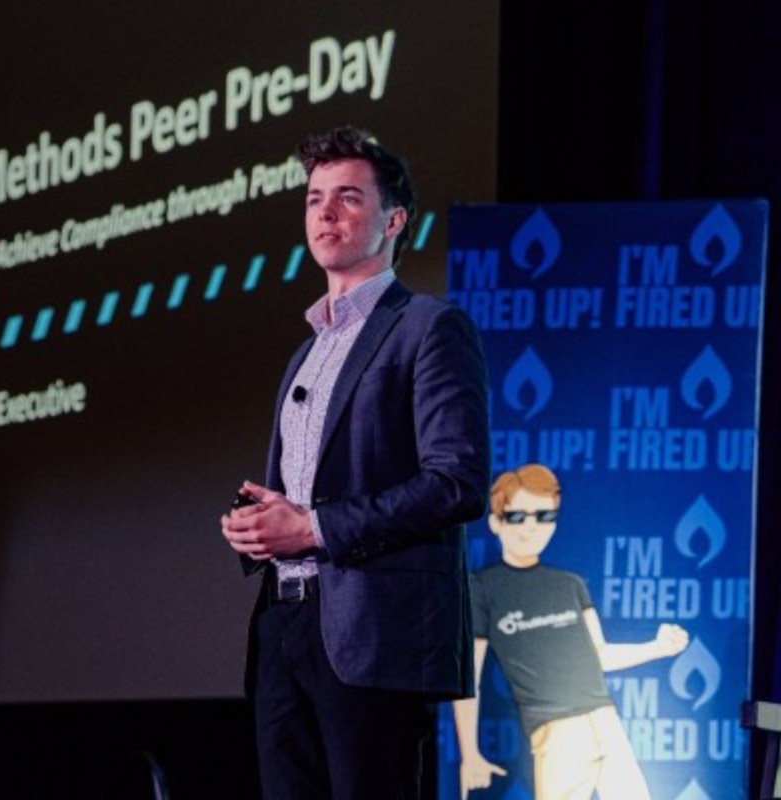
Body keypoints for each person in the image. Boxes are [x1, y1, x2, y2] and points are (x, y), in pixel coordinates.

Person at [221, 125, 490, 800]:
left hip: (375, 633)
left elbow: (455, 482)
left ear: (393, 221)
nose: (326, 213)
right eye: (315, 199)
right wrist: (261, 526)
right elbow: (307, 489)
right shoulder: (306, 351)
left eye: (347, 197)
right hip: (284, 624)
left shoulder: (429, 327)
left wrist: (312, 528)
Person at [453, 464, 689, 800]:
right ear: (496, 522)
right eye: (518, 517)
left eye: (544, 516)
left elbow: (600, 655)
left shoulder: (570, 584)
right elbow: (468, 678)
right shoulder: (482, 587)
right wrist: (470, 753)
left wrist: (656, 647)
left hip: (606, 722)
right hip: (556, 731)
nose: (531, 527)